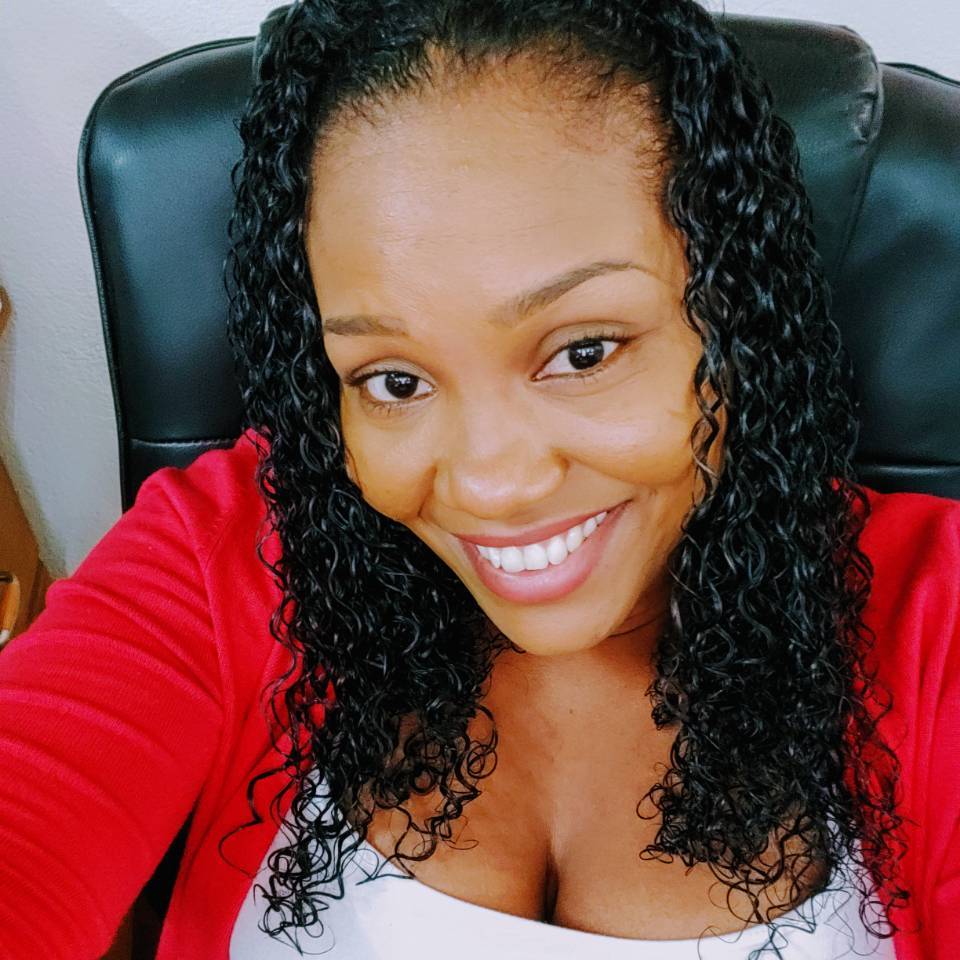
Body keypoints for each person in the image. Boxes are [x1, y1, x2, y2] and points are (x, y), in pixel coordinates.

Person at [1, 1, 958, 958]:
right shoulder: (232, 548)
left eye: (584, 352)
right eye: (395, 381)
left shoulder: (935, 619)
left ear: (734, 315)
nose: (493, 486)